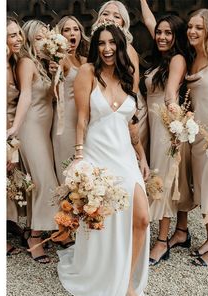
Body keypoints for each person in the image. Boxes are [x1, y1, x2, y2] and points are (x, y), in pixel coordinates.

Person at [57, 21, 150, 296]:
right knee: (106, 219)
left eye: (112, 43)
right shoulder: (87, 72)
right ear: (95, 46)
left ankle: (126, 283)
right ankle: (106, 274)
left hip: (123, 153)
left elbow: (132, 124)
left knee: (142, 218)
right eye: (101, 43)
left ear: (120, 45)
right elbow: (82, 118)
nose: (107, 48)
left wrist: (142, 157)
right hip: (97, 153)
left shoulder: (127, 74)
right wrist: (79, 157)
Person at [140, 1, 189, 266]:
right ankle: (176, 232)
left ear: (176, 36)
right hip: (150, 122)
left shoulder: (178, 59)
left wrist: (173, 118)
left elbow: (171, 91)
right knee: (156, 176)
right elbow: (149, 21)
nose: (161, 36)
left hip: (164, 125)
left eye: (168, 33)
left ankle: (161, 241)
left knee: (162, 180)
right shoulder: (161, 56)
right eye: (159, 32)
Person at [7, 19, 59, 263]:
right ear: (29, 40)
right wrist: (15, 129)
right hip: (30, 127)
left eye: (45, 37)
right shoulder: (27, 63)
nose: (43, 42)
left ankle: (34, 227)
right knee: (42, 180)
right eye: (37, 38)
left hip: (44, 128)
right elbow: (26, 95)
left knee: (39, 180)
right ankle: (34, 235)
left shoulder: (42, 63)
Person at [170, 9, 208, 267]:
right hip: (196, 135)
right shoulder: (191, 59)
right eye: (190, 26)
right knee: (202, 189)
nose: (192, 31)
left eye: (199, 27)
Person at [92, 0, 149, 154]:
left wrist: (131, 119)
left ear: (124, 23)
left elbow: (134, 85)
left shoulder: (127, 49)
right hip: (104, 111)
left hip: (128, 109)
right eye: (105, 13)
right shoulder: (94, 46)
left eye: (116, 16)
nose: (109, 18)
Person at [51, 16, 89, 186]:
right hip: (66, 122)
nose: (72, 33)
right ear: (60, 35)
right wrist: (54, 70)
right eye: (67, 30)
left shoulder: (85, 60)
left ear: (80, 33)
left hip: (85, 120)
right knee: (68, 172)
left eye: (75, 29)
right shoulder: (61, 60)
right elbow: (54, 85)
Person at [6, 16, 25, 256]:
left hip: (11, 126)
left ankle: (8, 222)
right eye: (12, 35)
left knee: (9, 180)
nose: (19, 38)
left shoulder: (14, 62)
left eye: (19, 33)